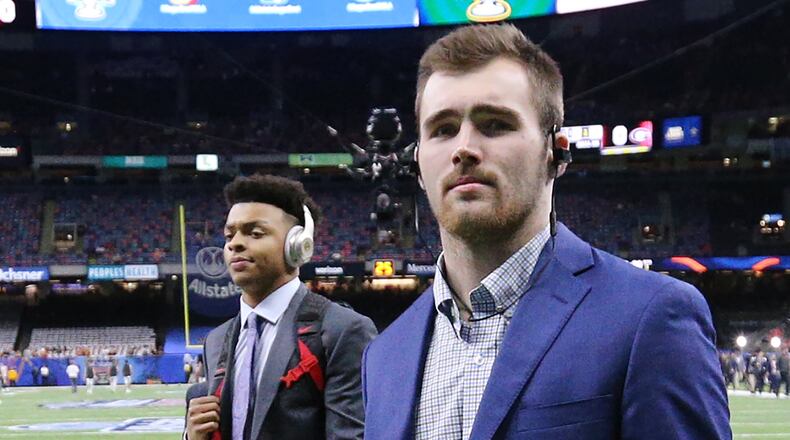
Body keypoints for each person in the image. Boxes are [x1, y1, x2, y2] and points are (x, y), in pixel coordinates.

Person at [362, 24, 731, 439]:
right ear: (419, 165)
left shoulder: (650, 318)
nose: (463, 146)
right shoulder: (383, 357)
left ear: (556, 152)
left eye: (495, 124)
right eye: (442, 129)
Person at [185, 174, 377, 440]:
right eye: (229, 234)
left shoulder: (342, 330)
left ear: (297, 246)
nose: (234, 243)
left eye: (255, 233)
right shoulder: (216, 341)